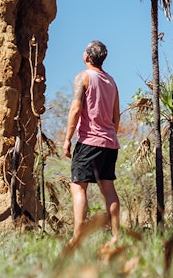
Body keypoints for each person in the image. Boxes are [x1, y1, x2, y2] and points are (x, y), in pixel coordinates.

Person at [63, 39, 121, 242]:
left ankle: (77, 237)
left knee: (78, 186)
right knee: (108, 189)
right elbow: (116, 116)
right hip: (110, 143)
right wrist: (109, 133)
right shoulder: (111, 81)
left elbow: (76, 109)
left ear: (86, 57)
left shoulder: (83, 77)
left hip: (89, 142)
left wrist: (68, 138)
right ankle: (116, 236)